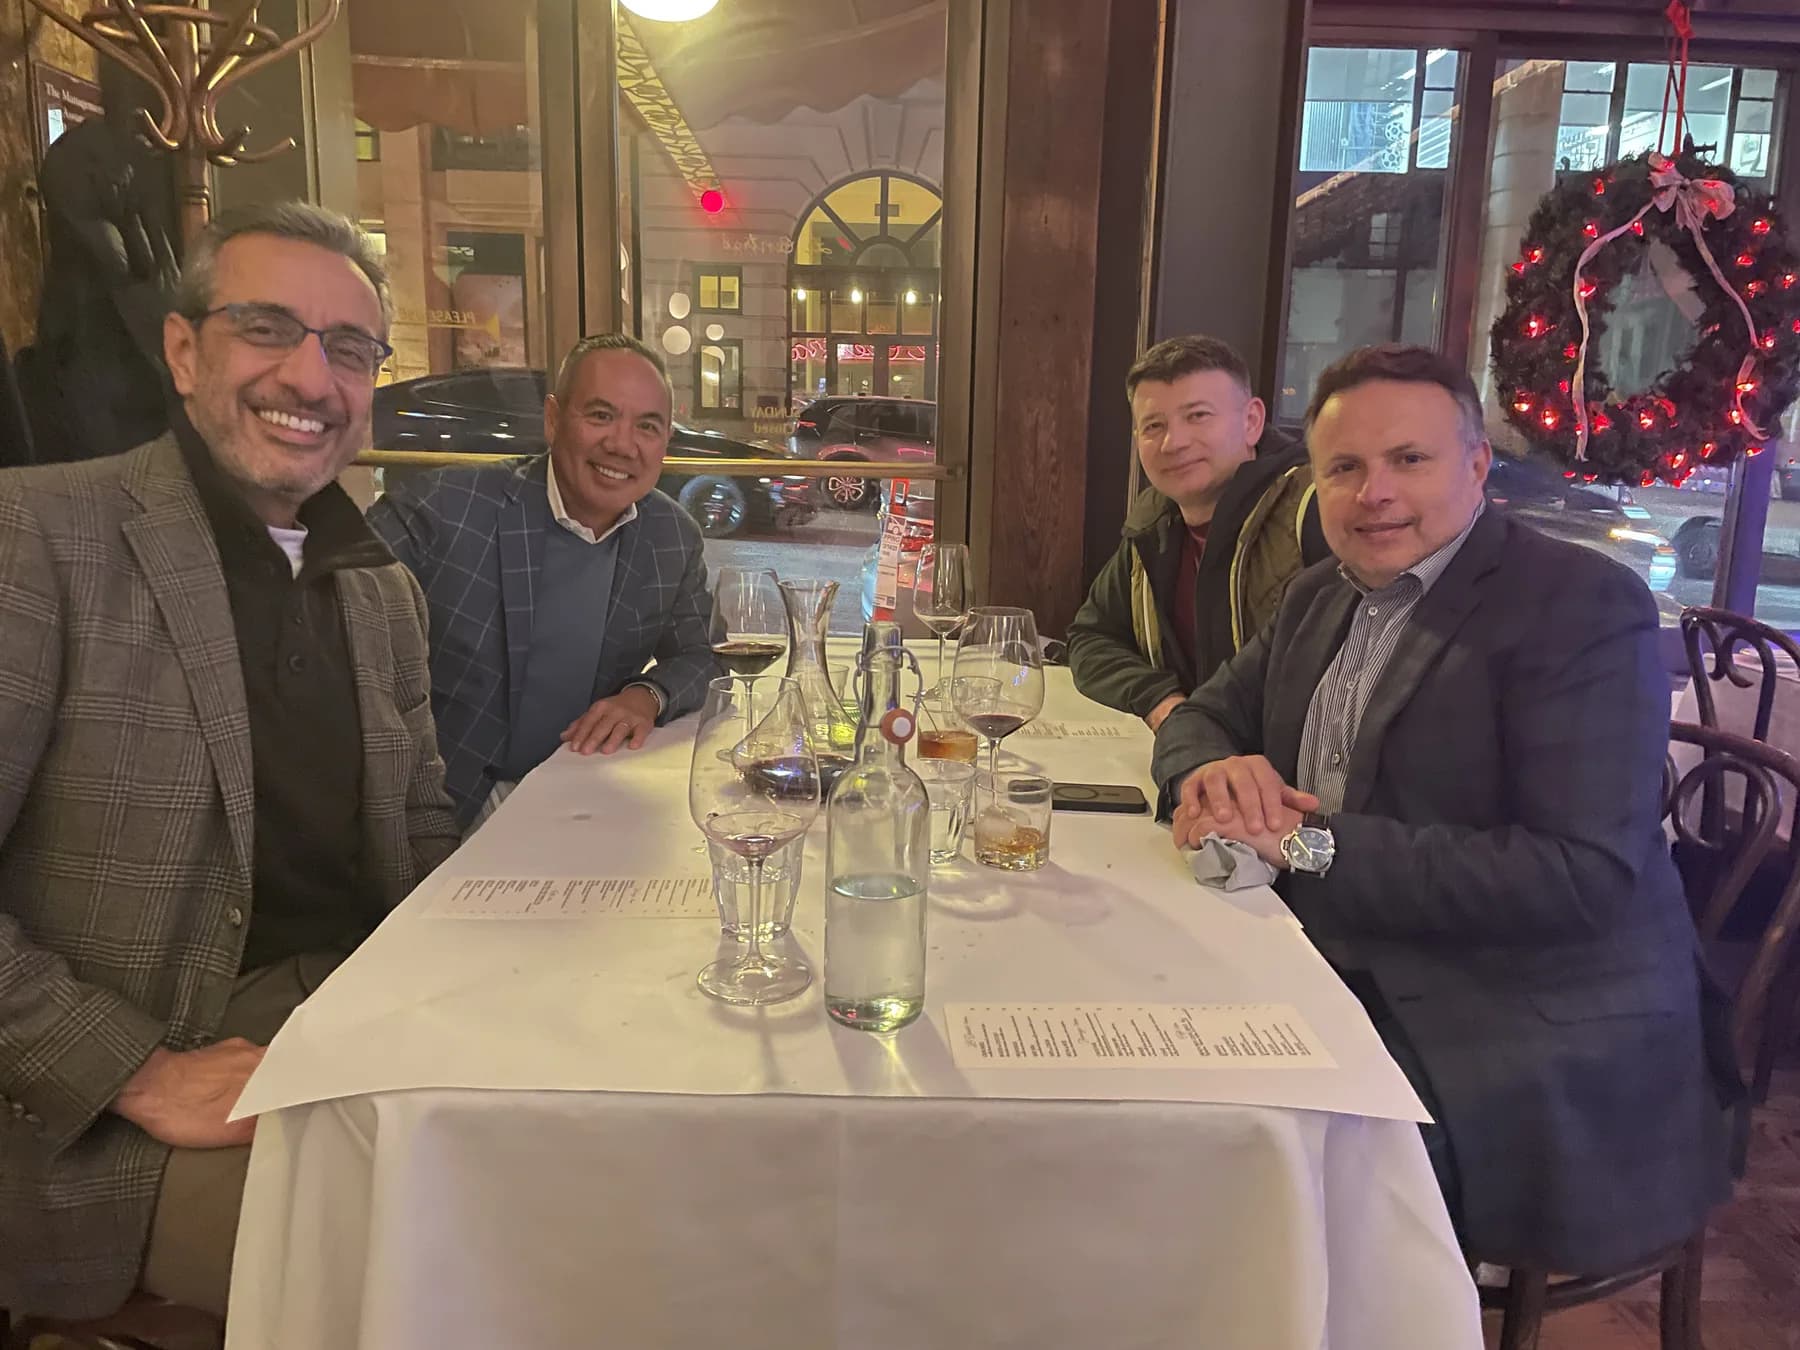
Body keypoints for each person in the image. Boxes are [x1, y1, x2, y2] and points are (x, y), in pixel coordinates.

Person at [1151, 343, 1732, 1274]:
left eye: (1408, 460)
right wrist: (1213, 775)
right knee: (1158, 1077)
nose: (1372, 492)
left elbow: (1579, 876)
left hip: (1523, 1013)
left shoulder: (1579, 606)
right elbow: (1204, 715)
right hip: (1344, 955)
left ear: (1476, 466)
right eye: (1344, 468)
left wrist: (1307, 842)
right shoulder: (1319, 595)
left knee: (1255, 1153)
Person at [0, 202, 460, 1321]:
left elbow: (425, 829)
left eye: (349, 349)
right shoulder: (39, 537)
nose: (310, 377)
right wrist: (139, 1070)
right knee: (447, 1267)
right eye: (267, 328)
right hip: (111, 1113)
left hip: (366, 1027)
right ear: (183, 349)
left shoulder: (379, 588)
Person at [368, 333, 718, 827]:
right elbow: (337, 642)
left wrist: (646, 696)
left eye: (648, 426)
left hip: (581, 794)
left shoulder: (671, 536)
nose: (622, 444)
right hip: (440, 808)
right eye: (600, 416)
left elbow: (704, 655)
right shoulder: (440, 509)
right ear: (553, 420)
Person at [1068, 335, 1329, 730]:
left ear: (1252, 422)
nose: (1174, 442)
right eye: (1153, 425)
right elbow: (1090, 638)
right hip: (1196, 765)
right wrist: (1162, 701)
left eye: (1198, 416)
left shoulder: (1316, 511)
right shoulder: (1153, 523)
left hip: (1291, 782)